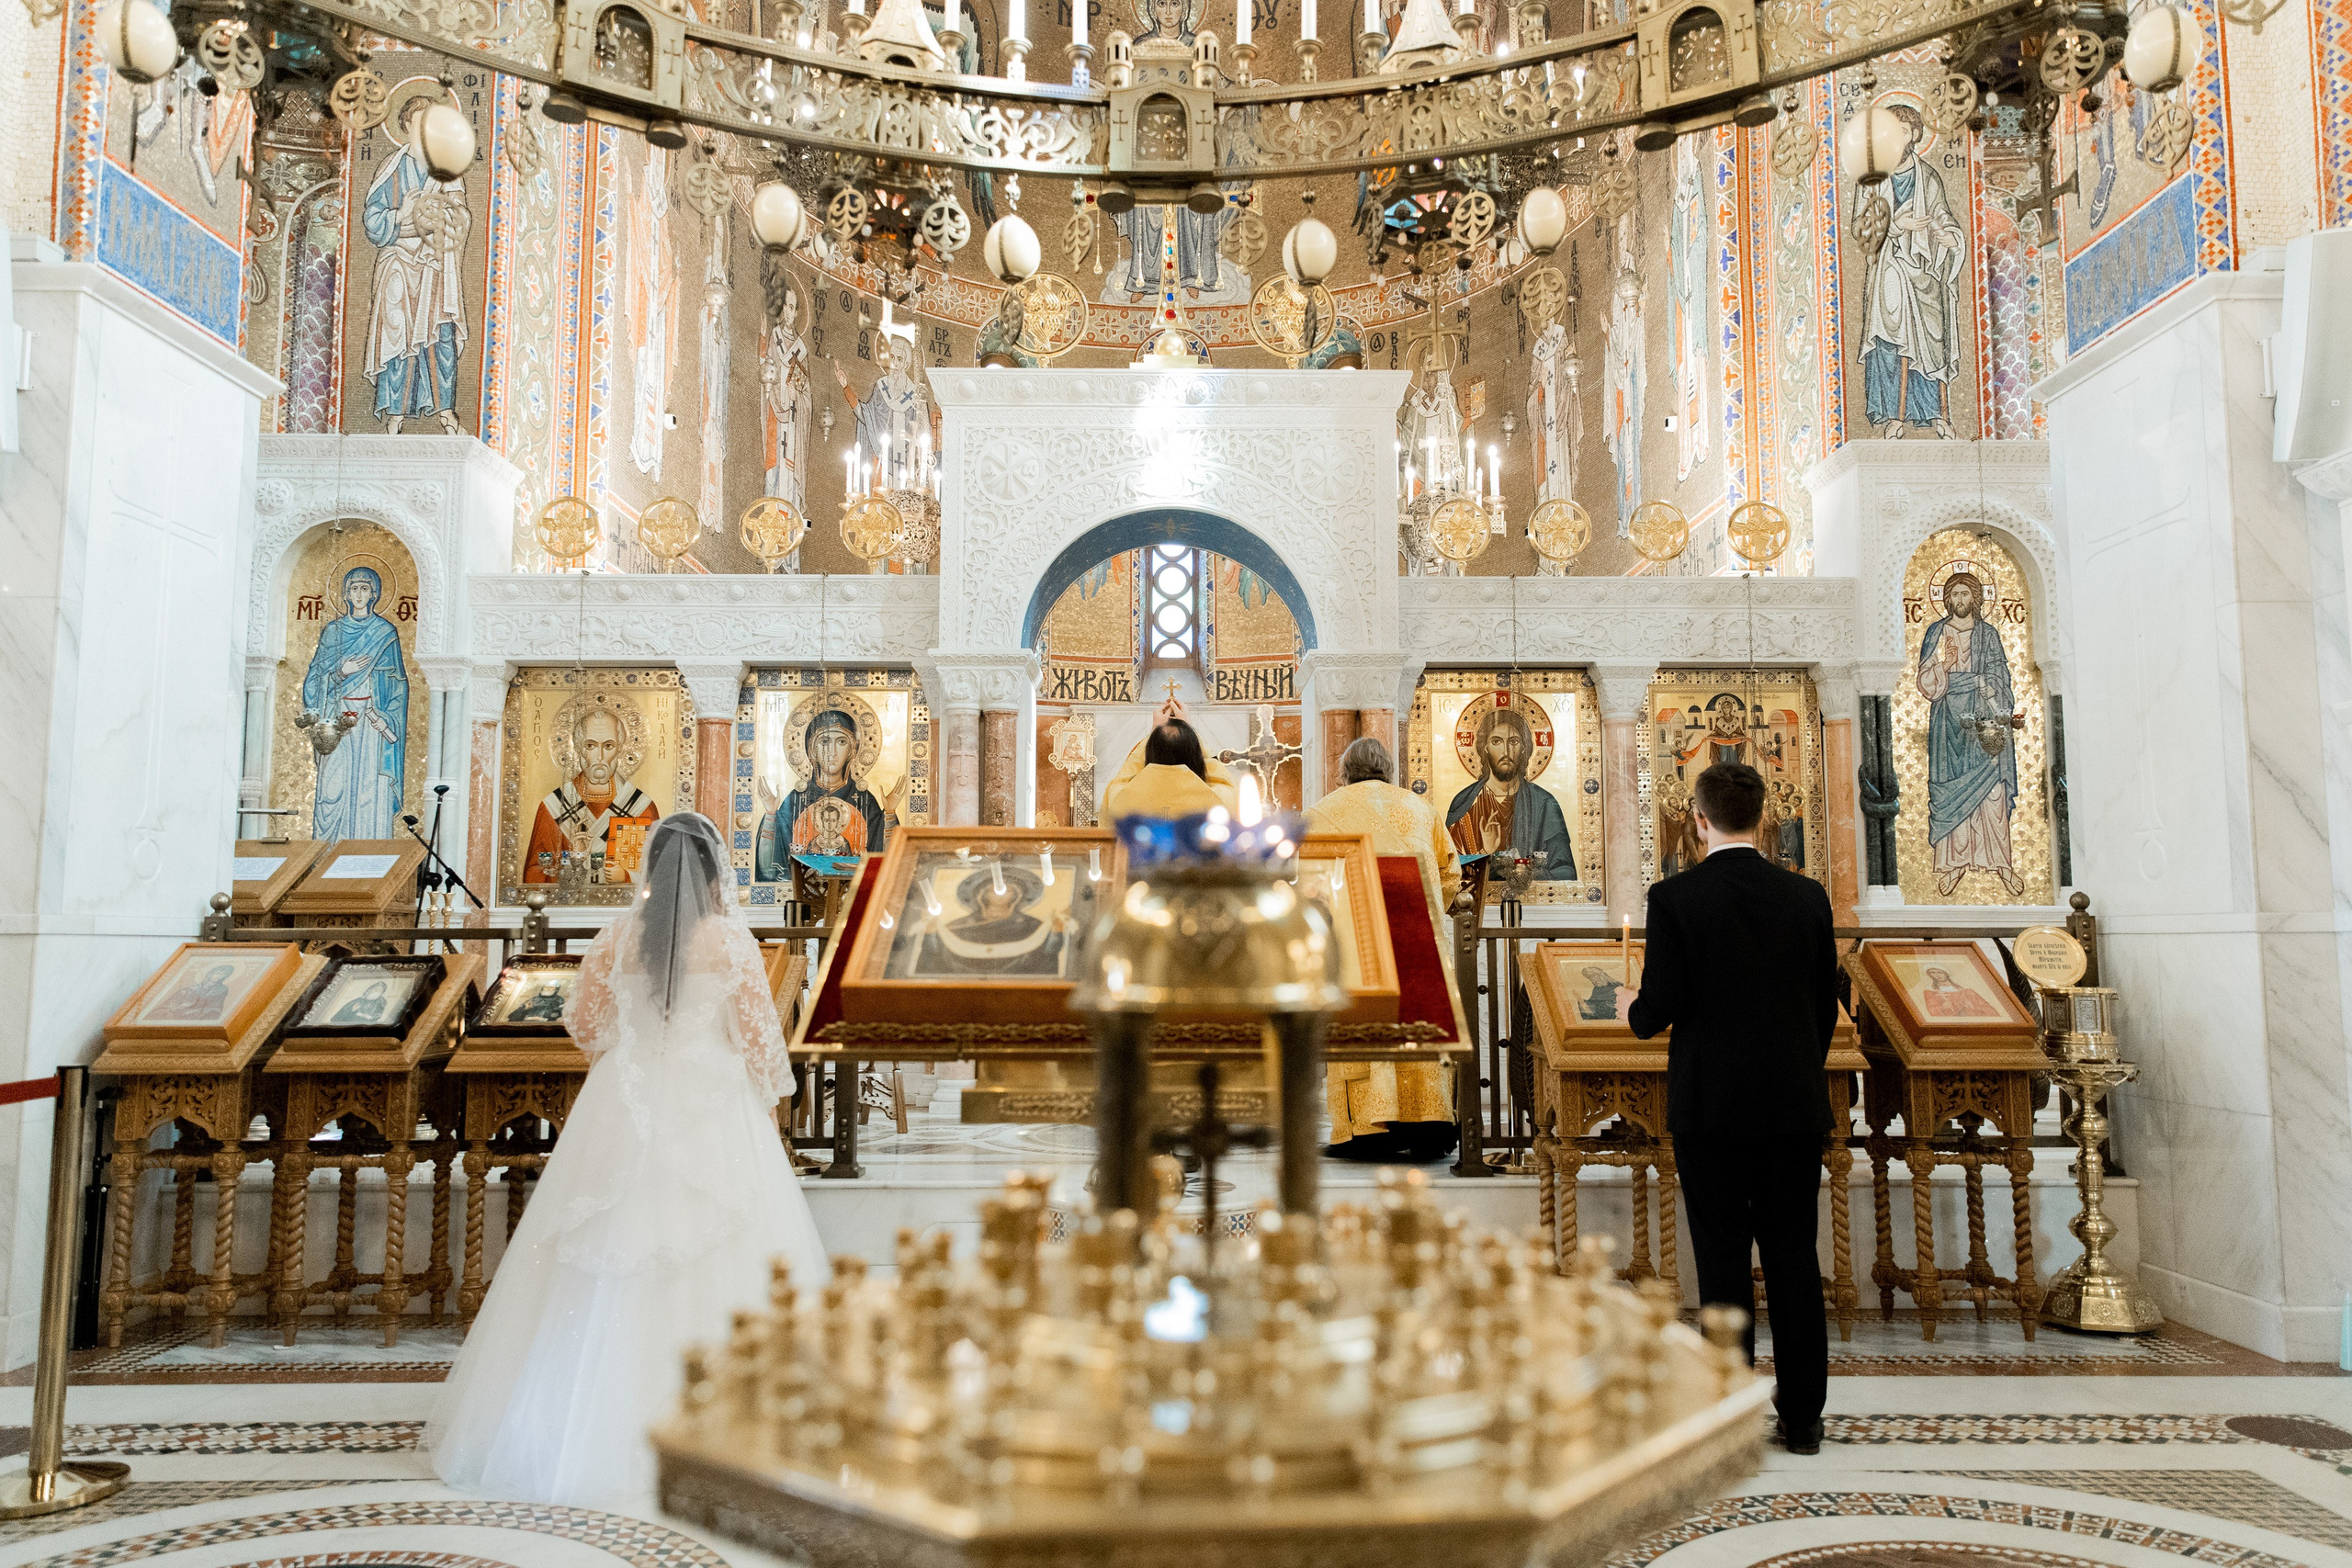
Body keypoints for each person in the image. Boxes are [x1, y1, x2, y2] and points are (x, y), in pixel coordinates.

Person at [429, 814, 825, 1505]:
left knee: (605, 1249)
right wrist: (764, 1110)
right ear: (711, 874)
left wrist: (633, 1053)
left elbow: (583, 1023)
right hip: (712, 1105)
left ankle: (583, 1428)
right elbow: (765, 1048)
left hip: (627, 1100)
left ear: (651, 871)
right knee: (723, 1250)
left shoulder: (617, 938)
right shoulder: (731, 941)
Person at [1613, 761, 1836, 1456]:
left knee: (1721, 1259)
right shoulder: (1807, 897)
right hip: (1795, 1105)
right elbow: (1824, 1005)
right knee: (1796, 1256)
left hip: (1711, 1108)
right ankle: (1803, 1419)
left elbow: (1661, 1007)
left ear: (1698, 819)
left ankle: (1731, 1409)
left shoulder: (1677, 896)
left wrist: (1632, 1011)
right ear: (1763, 816)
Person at [1306, 736, 1461, 1162]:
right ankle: (1431, 1130)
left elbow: (1308, 889)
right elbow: (1450, 880)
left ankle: (1367, 1133)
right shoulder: (1421, 810)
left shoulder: (1321, 814)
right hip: (1419, 944)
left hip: (1359, 946)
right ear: (1389, 772)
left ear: (1344, 773)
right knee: (1421, 1031)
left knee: (1366, 1029)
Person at [302, 566, 410, 841]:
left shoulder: (385, 633)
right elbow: (314, 680)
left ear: (374, 593)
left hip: (371, 725)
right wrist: (342, 672)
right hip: (337, 721)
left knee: (369, 790)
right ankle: (326, 856)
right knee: (332, 787)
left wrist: (388, 719)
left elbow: (398, 684)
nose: (359, 594)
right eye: (354, 588)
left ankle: (367, 854)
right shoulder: (333, 632)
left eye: (365, 588)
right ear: (346, 594)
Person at [524, 704, 661, 885]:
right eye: (590, 745)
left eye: (609, 745)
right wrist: (574, 861)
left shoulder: (640, 807)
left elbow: (658, 872)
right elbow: (534, 877)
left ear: (620, 748)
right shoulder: (553, 807)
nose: (600, 756)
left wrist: (627, 877)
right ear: (578, 748)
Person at [1444, 704, 1577, 880]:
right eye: (1496, 742)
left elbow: (1566, 872)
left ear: (1524, 748)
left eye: (1513, 742)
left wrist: (1524, 871)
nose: (1506, 751)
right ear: (1485, 747)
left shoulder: (1544, 803)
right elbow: (1447, 872)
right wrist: (1486, 854)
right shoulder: (1464, 804)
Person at [1099, 696, 1238, 819]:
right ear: (1195, 754)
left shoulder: (1121, 797)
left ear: (1151, 751)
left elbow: (1127, 773)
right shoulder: (1220, 800)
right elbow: (1222, 779)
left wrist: (1155, 732)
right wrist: (1189, 732)